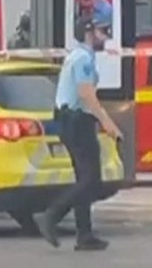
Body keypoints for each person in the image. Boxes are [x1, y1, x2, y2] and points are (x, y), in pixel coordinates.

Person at [36, 14, 122, 251]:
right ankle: (52, 215)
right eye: (102, 32)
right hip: (77, 122)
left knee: (85, 178)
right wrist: (108, 123)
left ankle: (84, 234)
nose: (106, 37)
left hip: (72, 121)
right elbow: (86, 94)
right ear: (88, 32)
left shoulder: (79, 56)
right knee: (90, 180)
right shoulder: (83, 58)